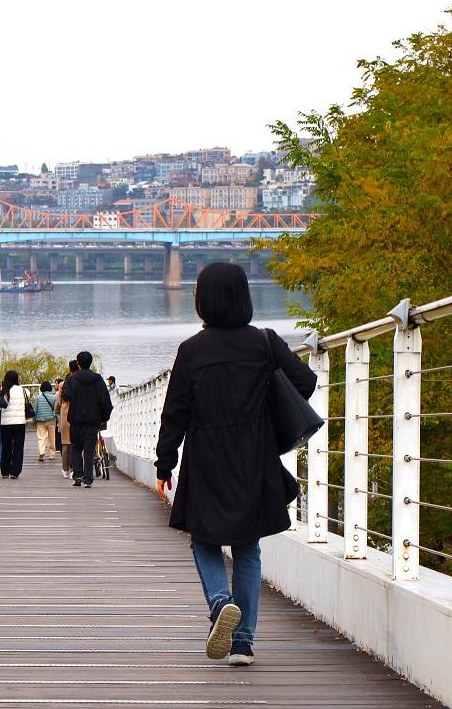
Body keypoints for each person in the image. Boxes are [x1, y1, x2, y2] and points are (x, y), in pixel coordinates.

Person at [155, 262, 316, 667]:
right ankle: (242, 643)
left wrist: (164, 463)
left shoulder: (192, 351)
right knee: (247, 547)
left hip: (207, 456)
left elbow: (175, 412)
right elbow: (306, 382)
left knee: (203, 538)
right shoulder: (264, 343)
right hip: (254, 456)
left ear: (203, 301)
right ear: (244, 296)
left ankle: (219, 603)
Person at [60, 351, 111, 488]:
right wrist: (104, 418)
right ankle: (88, 479)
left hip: (76, 420)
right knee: (89, 449)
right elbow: (105, 400)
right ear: (90, 362)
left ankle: (77, 475)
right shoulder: (98, 379)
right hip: (93, 420)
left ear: (78, 363)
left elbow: (66, 396)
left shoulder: (71, 379)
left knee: (76, 448)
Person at [0, 369, 28, 478]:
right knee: (18, 446)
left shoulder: (3, 390)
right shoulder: (22, 390)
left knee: (6, 447)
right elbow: (26, 399)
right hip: (19, 422)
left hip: (6, 423)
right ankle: (15, 472)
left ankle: (5, 471)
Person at [56, 362, 78, 479]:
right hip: (78, 413)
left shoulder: (62, 384)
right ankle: (76, 468)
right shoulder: (80, 382)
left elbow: (59, 402)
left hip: (65, 414)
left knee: (65, 444)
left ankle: (65, 469)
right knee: (77, 443)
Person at [33, 380, 58, 462]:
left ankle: (41, 452)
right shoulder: (54, 397)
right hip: (51, 419)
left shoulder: (37, 398)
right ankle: (52, 454)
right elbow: (55, 409)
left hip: (40, 420)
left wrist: (34, 419)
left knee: (41, 437)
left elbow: (35, 410)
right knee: (52, 438)